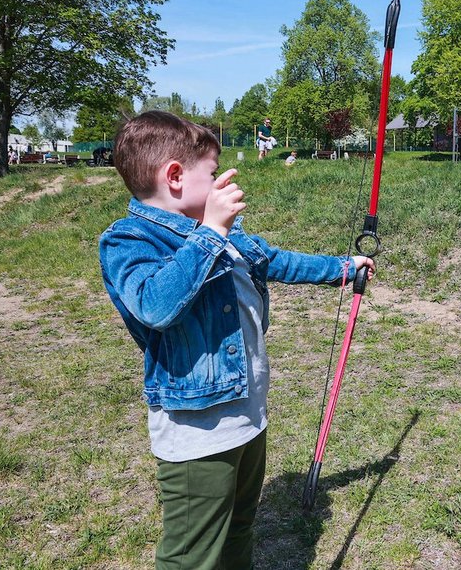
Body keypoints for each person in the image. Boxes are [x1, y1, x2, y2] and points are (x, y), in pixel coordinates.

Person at [98, 111, 374, 569]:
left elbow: (277, 261)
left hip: (247, 417)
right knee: (192, 555)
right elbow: (155, 305)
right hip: (197, 434)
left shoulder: (227, 235)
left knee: (239, 530)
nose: (226, 181)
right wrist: (209, 233)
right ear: (175, 176)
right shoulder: (130, 239)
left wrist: (344, 268)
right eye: (212, 172)